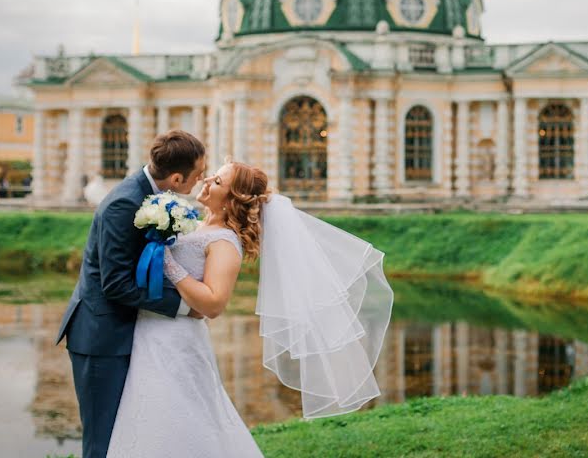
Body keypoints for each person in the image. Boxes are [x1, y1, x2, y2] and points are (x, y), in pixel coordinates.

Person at [106, 160, 393, 456]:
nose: (206, 181)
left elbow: (214, 303)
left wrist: (170, 266)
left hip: (178, 341)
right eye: (212, 176)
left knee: (177, 417)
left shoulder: (225, 242)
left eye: (217, 182)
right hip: (152, 333)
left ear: (233, 201)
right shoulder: (198, 223)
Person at [55, 130, 207, 458]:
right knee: (102, 439)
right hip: (100, 337)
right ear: (178, 178)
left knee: (127, 434)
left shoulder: (147, 192)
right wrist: (183, 306)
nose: (200, 181)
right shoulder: (124, 203)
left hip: (125, 332)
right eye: (198, 175)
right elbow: (116, 284)